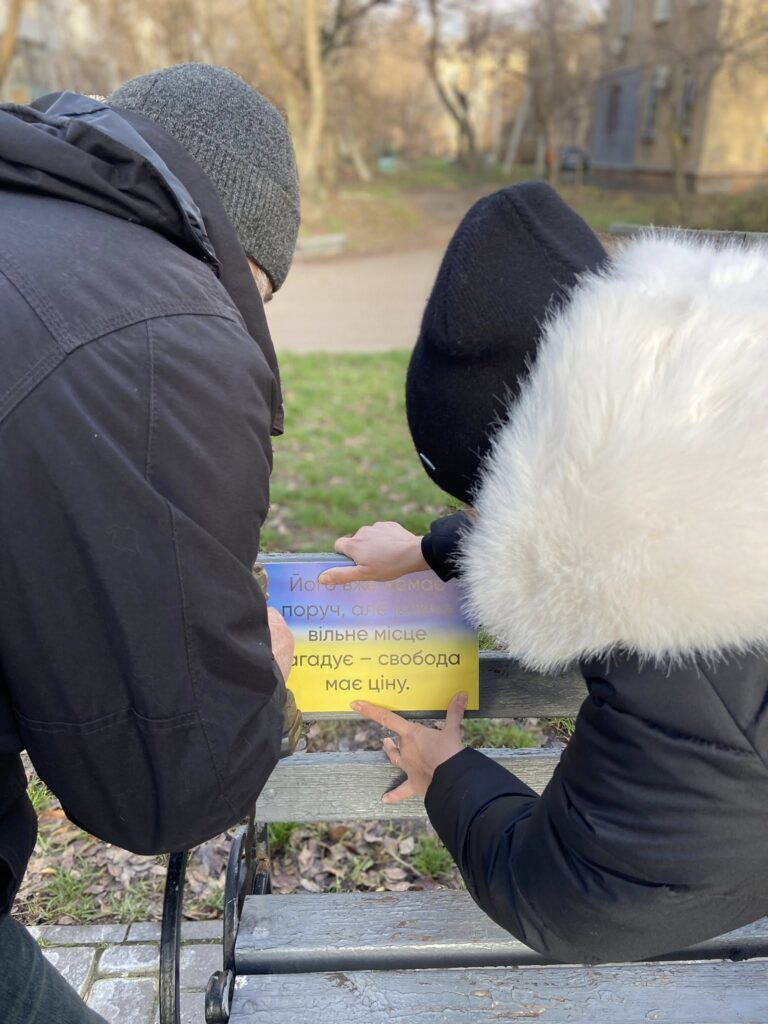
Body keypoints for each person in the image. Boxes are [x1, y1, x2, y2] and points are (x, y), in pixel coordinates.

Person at [324, 183, 768, 964]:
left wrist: (447, 772)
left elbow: (573, 908)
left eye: (489, 505)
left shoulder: (698, 691)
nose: (483, 522)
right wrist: (435, 548)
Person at [0, 63, 299, 1022]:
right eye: (262, 292)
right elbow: (169, 785)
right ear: (243, 250)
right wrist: (261, 679)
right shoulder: (163, 334)